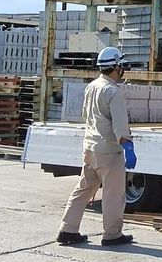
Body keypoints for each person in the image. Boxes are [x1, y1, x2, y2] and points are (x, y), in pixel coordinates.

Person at [56, 47, 134, 247]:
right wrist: (127, 145)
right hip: (109, 151)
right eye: (121, 66)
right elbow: (120, 125)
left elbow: (85, 115)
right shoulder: (113, 91)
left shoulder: (91, 87)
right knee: (113, 194)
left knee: (83, 189)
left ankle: (67, 230)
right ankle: (112, 235)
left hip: (90, 148)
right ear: (116, 67)